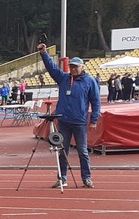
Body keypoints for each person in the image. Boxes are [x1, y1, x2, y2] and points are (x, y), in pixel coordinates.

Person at [37, 45, 100, 189]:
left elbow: (96, 102)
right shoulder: (64, 78)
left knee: (83, 151)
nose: (73, 69)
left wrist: (94, 120)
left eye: (76, 67)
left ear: (82, 67)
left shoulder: (90, 81)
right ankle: (62, 178)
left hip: (79, 122)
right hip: (64, 121)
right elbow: (52, 68)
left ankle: (86, 178)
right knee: (62, 151)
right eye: (71, 66)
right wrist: (44, 53)